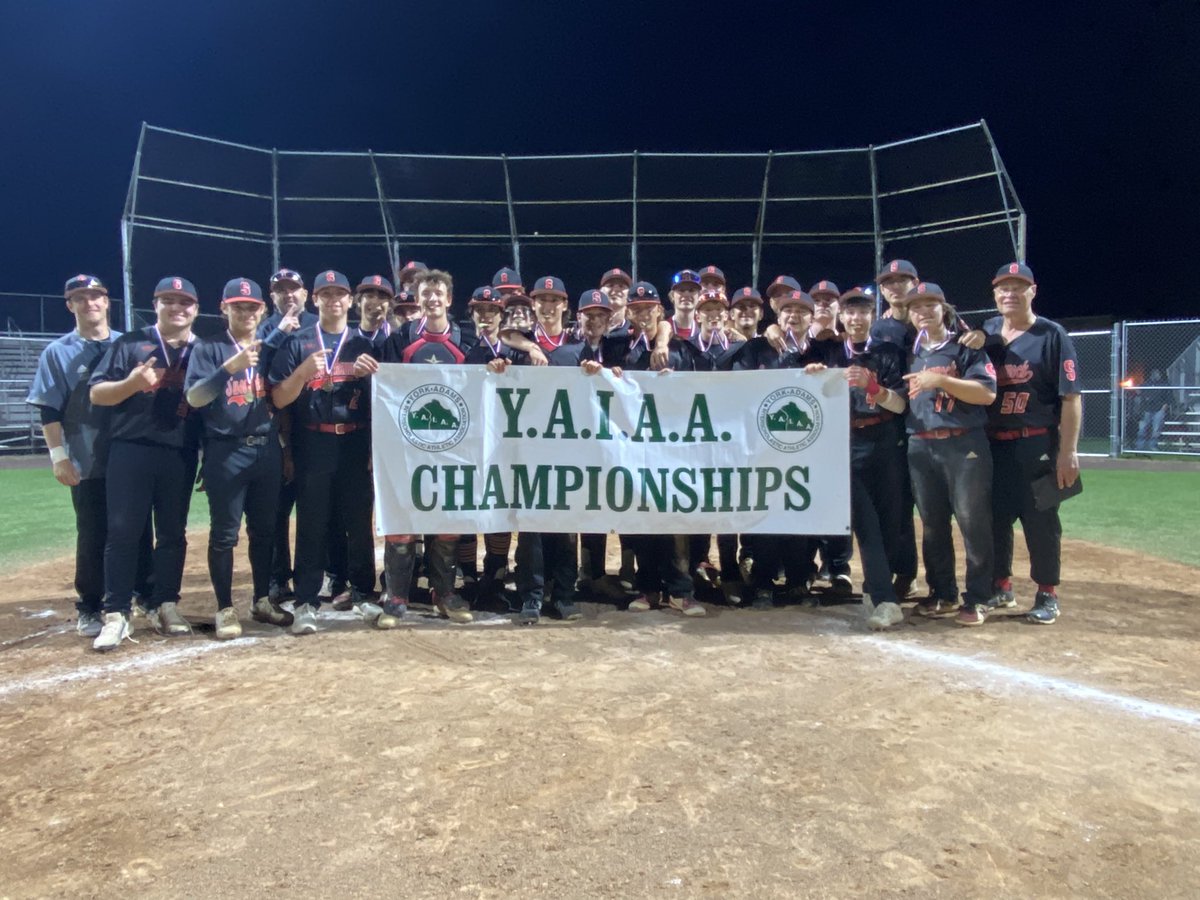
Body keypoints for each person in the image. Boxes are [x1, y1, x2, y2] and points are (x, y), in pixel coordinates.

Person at [26, 274, 152, 638]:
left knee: (140, 528)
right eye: (80, 298)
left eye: (95, 296)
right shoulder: (59, 351)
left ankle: (144, 593)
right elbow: (49, 409)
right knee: (93, 532)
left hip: (130, 454)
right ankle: (91, 604)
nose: (89, 303)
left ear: (107, 301)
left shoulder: (128, 344)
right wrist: (58, 456)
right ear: (70, 305)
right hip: (87, 457)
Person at [269, 269, 391, 635]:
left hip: (355, 440)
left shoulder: (363, 344)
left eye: (340, 294)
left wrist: (375, 376)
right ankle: (306, 600)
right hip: (313, 440)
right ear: (316, 300)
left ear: (350, 301)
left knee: (359, 522)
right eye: (326, 294)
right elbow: (278, 398)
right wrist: (303, 373)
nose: (334, 300)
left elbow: (383, 402)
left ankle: (364, 595)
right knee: (312, 522)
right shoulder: (299, 341)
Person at [88, 276, 203, 650]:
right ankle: (117, 612)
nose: (177, 308)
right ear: (155, 305)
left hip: (180, 452)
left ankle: (165, 603)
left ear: (196, 310)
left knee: (172, 533)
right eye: (169, 301)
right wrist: (131, 385)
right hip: (131, 448)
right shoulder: (129, 343)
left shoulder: (202, 350)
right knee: (123, 531)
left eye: (184, 302)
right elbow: (98, 393)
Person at [185, 277, 291, 638]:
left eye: (251, 306)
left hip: (265, 448)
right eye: (238, 306)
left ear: (262, 310)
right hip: (225, 450)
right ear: (224, 309)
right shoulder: (209, 348)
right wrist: (229, 368)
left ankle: (261, 599)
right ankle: (225, 607)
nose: (245, 312)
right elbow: (195, 398)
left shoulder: (268, 347)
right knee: (225, 534)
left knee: (265, 532)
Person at [803, 287, 909, 629]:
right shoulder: (827, 351)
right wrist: (813, 373)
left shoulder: (889, 352)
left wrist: (873, 388)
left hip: (885, 439)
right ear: (841, 316)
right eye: (850, 312)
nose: (856, 318)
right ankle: (884, 598)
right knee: (865, 524)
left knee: (892, 521)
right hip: (844, 442)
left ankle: (881, 587)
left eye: (863, 312)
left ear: (872, 316)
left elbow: (901, 404)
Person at [982, 262, 1081, 625]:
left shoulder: (1052, 335)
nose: (1010, 293)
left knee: (1040, 522)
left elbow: (1071, 398)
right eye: (1003, 287)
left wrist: (1067, 452)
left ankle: (1047, 593)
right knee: (995, 519)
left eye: (1018, 287)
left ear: (1032, 291)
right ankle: (1000, 586)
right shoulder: (987, 333)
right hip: (993, 445)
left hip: (1035, 442)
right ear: (994, 294)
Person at [378, 268, 474, 624]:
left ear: (449, 299)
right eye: (426, 294)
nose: (432, 299)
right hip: (406, 448)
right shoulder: (401, 339)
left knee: (446, 522)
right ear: (417, 300)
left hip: (452, 448)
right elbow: (383, 391)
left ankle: (445, 594)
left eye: (438, 294)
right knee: (402, 521)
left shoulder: (466, 340)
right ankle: (397, 597)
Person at [900, 282, 998, 626]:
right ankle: (942, 592)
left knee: (972, 521)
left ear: (944, 309)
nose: (923, 312)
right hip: (920, 443)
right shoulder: (909, 351)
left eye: (930, 306)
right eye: (916, 307)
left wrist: (940, 381)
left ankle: (979, 597)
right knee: (932, 524)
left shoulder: (965, 346)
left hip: (963, 443)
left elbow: (986, 394)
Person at [621, 282, 707, 617]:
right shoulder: (621, 346)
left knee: (675, 520)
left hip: (674, 448)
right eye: (637, 308)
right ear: (629, 313)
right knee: (642, 521)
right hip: (636, 448)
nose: (644, 314)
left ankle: (680, 590)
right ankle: (648, 588)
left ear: (660, 311)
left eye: (650, 308)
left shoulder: (681, 348)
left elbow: (698, 391)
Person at [258, 268, 316, 605]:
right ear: (273, 296)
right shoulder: (265, 329)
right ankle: (278, 578)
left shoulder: (317, 324)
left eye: (293, 289)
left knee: (317, 508)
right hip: (277, 428)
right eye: (281, 290)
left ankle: (323, 574)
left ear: (305, 293)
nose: (288, 295)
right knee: (276, 510)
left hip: (312, 426)